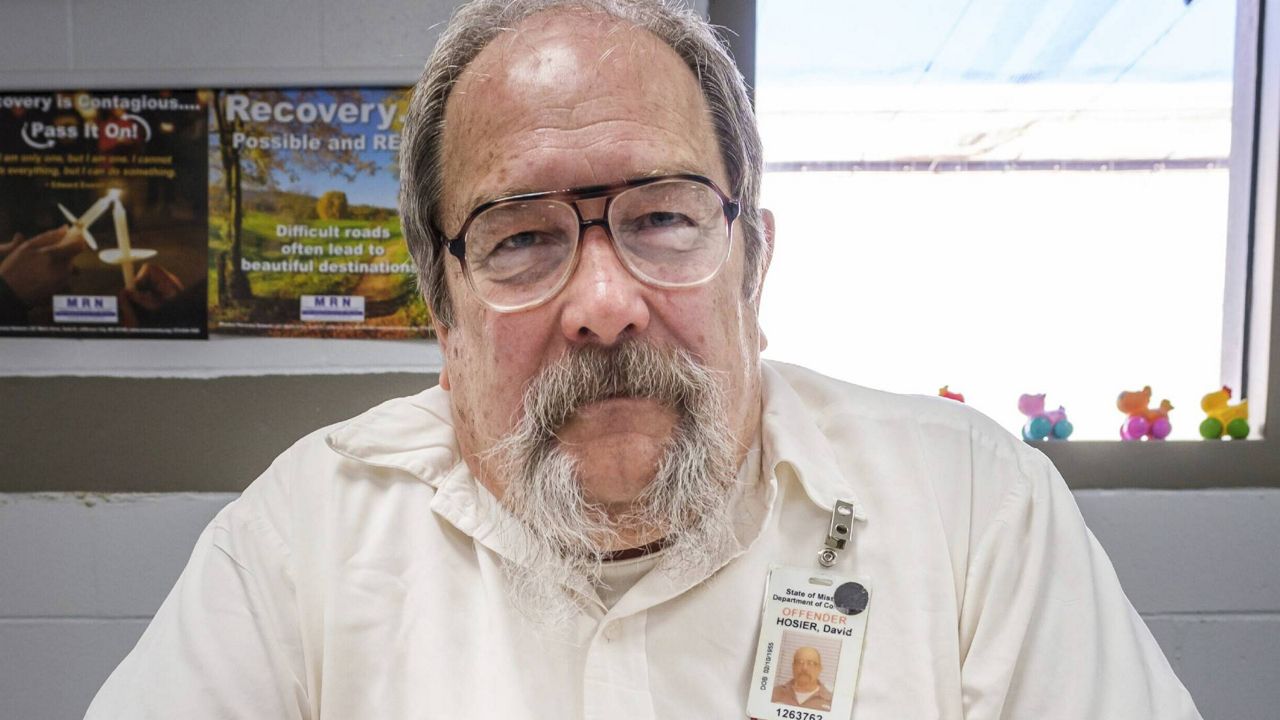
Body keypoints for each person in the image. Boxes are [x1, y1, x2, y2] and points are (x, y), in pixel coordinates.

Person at [87, 1, 1203, 718]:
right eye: (522, 237)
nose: (606, 304)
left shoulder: (972, 509)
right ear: (442, 313)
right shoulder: (302, 539)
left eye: (663, 219)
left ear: (751, 266)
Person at [772, 646, 834, 711]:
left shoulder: (830, 702)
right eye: (799, 662)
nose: (804, 668)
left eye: (811, 663)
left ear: (819, 669)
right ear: (793, 667)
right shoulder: (775, 694)